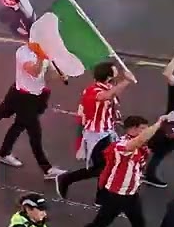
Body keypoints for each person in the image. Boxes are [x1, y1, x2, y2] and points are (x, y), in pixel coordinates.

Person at [70, 115, 165, 227]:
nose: (145, 131)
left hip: (131, 193)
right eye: (143, 128)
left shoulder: (138, 145)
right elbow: (137, 143)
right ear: (133, 129)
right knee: (101, 222)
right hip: (117, 194)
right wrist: (158, 123)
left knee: (138, 224)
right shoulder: (123, 145)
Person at [56, 61, 132, 198]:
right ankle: (67, 179)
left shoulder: (108, 86)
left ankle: (100, 195)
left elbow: (112, 94)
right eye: (114, 71)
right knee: (101, 167)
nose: (117, 73)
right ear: (108, 76)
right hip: (96, 135)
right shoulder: (94, 90)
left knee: (106, 165)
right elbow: (106, 96)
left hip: (107, 132)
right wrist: (126, 81)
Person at [0, 41, 66, 178]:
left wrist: (60, 75)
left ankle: (3, 154)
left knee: (19, 125)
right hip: (24, 98)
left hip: (37, 97)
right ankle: (47, 169)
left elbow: (47, 75)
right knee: (35, 133)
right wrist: (41, 56)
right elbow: (34, 72)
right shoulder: (23, 53)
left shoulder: (46, 50)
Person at [144, 47, 174, 188]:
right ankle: (149, 175)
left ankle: (149, 174)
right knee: (161, 152)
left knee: (163, 151)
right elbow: (167, 73)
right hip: (171, 128)